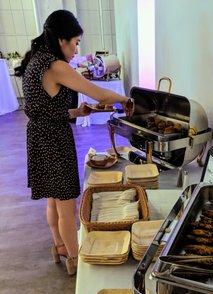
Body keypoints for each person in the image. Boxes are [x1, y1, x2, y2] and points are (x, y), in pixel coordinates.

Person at [16, 10, 132, 276]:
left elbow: (43, 109)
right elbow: (95, 91)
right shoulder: (56, 66)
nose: (76, 48)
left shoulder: (35, 60)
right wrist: (124, 100)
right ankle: (75, 259)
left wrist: (76, 113)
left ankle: (58, 246)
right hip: (54, 140)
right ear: (61, 40)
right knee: (68, 205)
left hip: (38, 136)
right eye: (76, 42)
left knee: (53, 200)